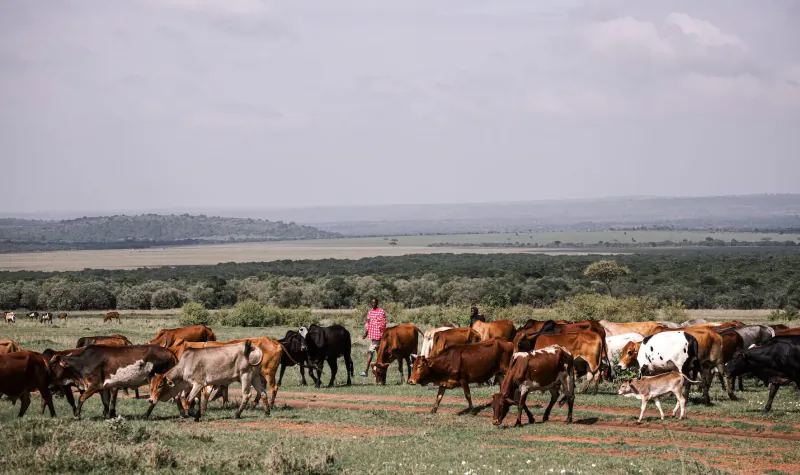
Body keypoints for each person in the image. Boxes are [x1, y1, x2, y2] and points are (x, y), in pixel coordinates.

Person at [361, 298, 387, 377]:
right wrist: (366, 333)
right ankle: (381, 372)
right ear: (371, 303)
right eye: (372, 303)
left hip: (379, 336)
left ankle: (366, 371)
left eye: (375, 302)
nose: (373, 304)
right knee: (380, 355)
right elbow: (368, 323)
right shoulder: (370, 312)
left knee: (370, 351)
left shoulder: (381, 311)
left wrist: (379, 330)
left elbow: (383, 323)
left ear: (377, 303)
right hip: (372, 336)